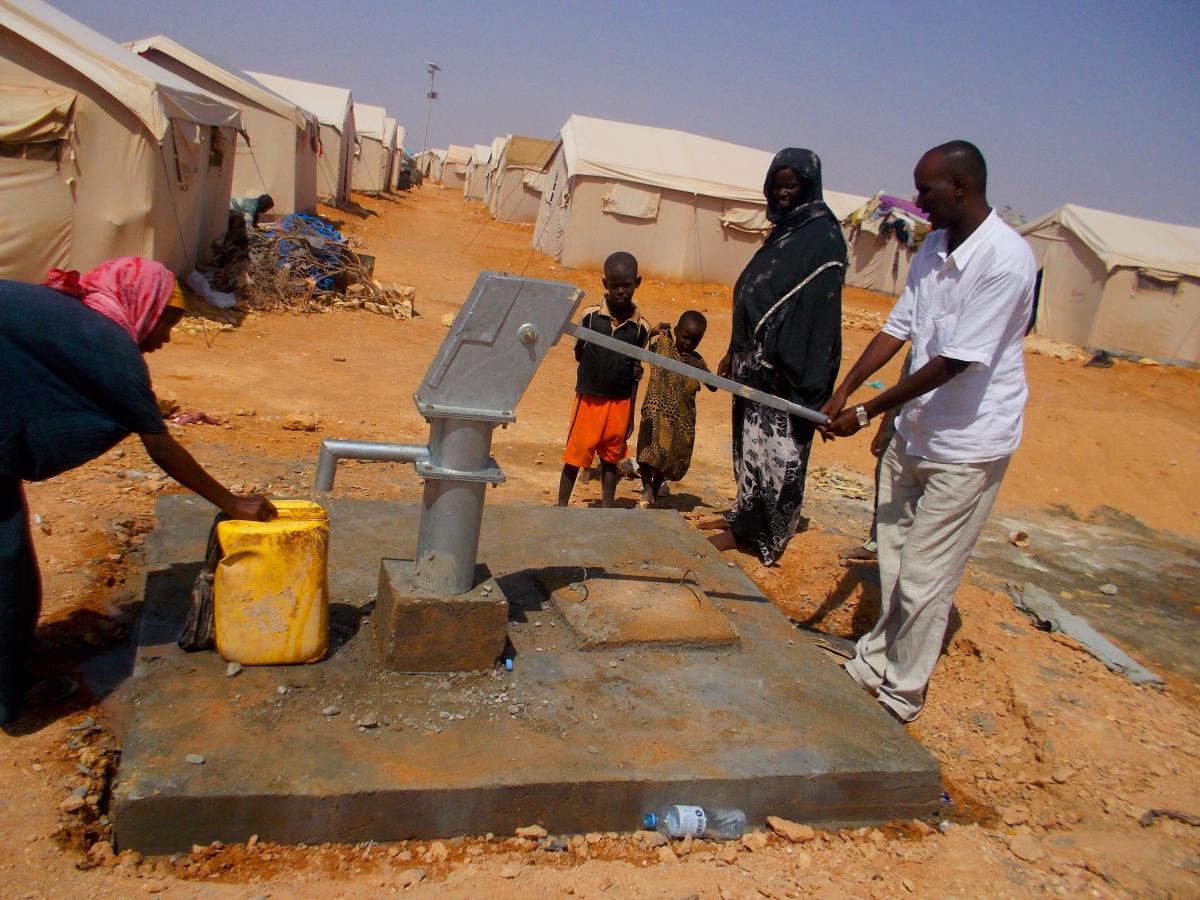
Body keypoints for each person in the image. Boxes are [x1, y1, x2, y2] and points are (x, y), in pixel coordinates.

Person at [0, 258, 276, 726]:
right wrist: (231, 502)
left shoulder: (77, 318)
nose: (166, 338)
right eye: (167, 323)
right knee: (6, 569)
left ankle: (15, 643)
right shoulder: (107, 348)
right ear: (142, 304)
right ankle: (10, 691)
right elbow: (160, 446)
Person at [819, 140, 1035, 723]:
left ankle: (902, 692)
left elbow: (955, 361)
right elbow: (901, 326)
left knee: (924, 576)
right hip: (915, 430)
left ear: (961, 186)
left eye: (926, 190)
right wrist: (847, 386)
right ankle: (874, 662)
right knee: (893, 560)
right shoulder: (933, 247)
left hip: (966, 444)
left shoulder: (1006, 261)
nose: (917, 202)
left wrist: (866, 413)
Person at [702, 148, 846, 565]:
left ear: (808, 186)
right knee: (750, 447)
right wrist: (736, 347)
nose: (782, 194)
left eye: (791, 185)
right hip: (756, 363)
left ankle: (765, 535)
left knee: (777, 453)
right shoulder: (785, 231)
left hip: (789, 368)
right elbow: (757, 288)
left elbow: (818, 313)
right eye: (777, 185)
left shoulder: (822, 237)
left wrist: (790, 363)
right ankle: (745, 519)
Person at [558, 251, 649, 508]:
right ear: (604, 284)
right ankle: (561, 506)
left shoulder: (641, 327)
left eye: (626, 285)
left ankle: (607, 508)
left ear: (637, 283)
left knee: (611, 459)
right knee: (576, 455)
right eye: (614, 285)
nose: (620, 291)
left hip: (619, 403)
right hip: (589, 399)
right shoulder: (589, 316)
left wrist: (630, 414)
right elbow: (580, 353)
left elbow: (635, 372)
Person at [635, 310, 717, 508]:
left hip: (679, 421)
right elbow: (637, 348)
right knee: (646, 454)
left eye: (695, 341)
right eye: (685, 337)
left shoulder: (696, 360)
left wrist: (701, 369)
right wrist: (653, 332)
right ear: (677, 330)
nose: (689, 344)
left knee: (667, 459)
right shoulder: (664, 346)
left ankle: (654, 490)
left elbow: (713, 386)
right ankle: (647, 488)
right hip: (655, 414)